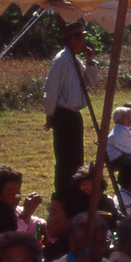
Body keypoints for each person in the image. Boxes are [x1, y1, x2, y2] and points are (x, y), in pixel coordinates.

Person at [45, 19, 98, 190]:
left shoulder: (76, 60)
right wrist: (49, 114)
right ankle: (63, 192)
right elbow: (51, 89)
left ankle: (74, 189)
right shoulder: (61, 60)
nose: (84, 42)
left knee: (76, 158)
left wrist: (90, 61)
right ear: (73, 40)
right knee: (65, 159)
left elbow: (90, 81)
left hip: (74, 115)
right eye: (81, 38)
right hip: (63, 114)